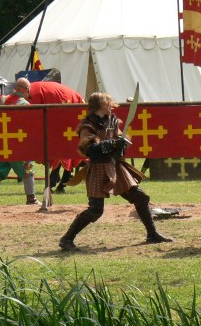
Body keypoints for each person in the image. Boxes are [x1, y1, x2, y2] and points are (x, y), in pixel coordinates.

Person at [58, 92, 173, 251]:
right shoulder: (88, 125)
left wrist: (121, 145)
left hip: (115, 167)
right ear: (99, 104)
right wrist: (111, 144)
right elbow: (89, 149)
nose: (111, 105)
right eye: (108, 102)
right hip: (98, 168)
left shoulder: (112, 121)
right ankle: (66, 239)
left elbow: (119, 142)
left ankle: (152, 234)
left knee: (140, 198)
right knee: (96, 210)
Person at [0, 78, 39, 206]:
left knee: (0, 170)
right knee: (28, 169)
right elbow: (30, 127)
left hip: (3, 143)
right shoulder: (25, 105)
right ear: (26, 90)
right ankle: (31, 199)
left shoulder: (1, 99)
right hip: (19, 145)